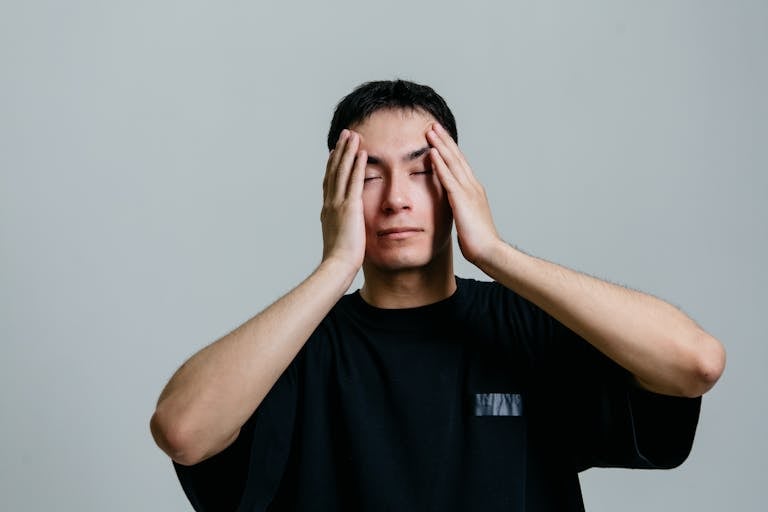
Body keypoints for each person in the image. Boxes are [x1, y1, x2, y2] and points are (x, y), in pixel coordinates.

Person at [150, 79, 725, 511]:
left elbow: (696, 363)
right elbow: (182, 431)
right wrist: (335, 267)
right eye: (369, 175)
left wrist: (496, 253)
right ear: (336, 191)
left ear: (458, 184)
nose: (397, 198)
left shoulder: (524, 328)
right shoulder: (299, 351)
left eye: (422, 171)